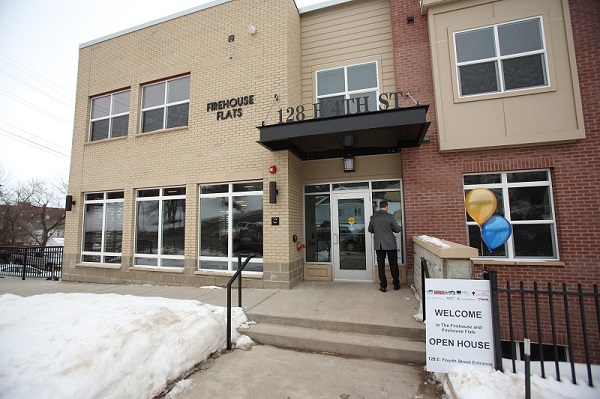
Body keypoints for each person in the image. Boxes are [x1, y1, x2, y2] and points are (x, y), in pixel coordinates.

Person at [368, 200, 402, 292]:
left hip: (379, 244)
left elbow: (370, 229)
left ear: (380, 206)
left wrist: (378, 232)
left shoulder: (373, 218)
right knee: (393, 264)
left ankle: (383, 285)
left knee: (381, 265)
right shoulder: (390, 216)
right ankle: (396, 284)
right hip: (390, 244)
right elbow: (398, 229)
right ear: (387, 206)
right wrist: (391, 230)